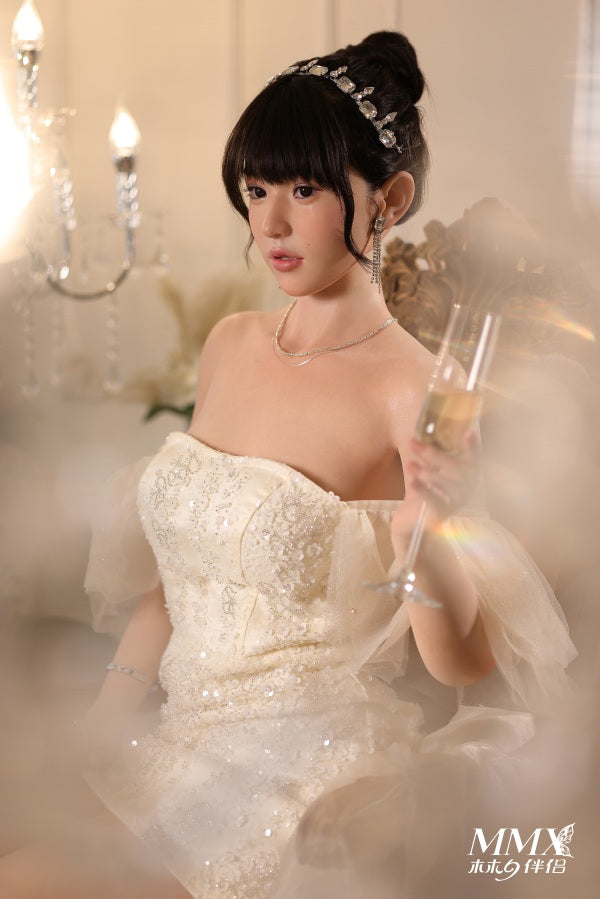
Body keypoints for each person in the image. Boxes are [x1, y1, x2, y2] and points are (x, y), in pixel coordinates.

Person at [0, 31, 575, 899]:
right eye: (256, 188)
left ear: (389, 199)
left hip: (304, 771)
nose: (269, 223)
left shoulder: (422, 388)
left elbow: (463, 666)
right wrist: (105, 721)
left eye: (304, 190)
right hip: (175, 744)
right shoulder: (230, 343)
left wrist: (429, 529)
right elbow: (174, 578)